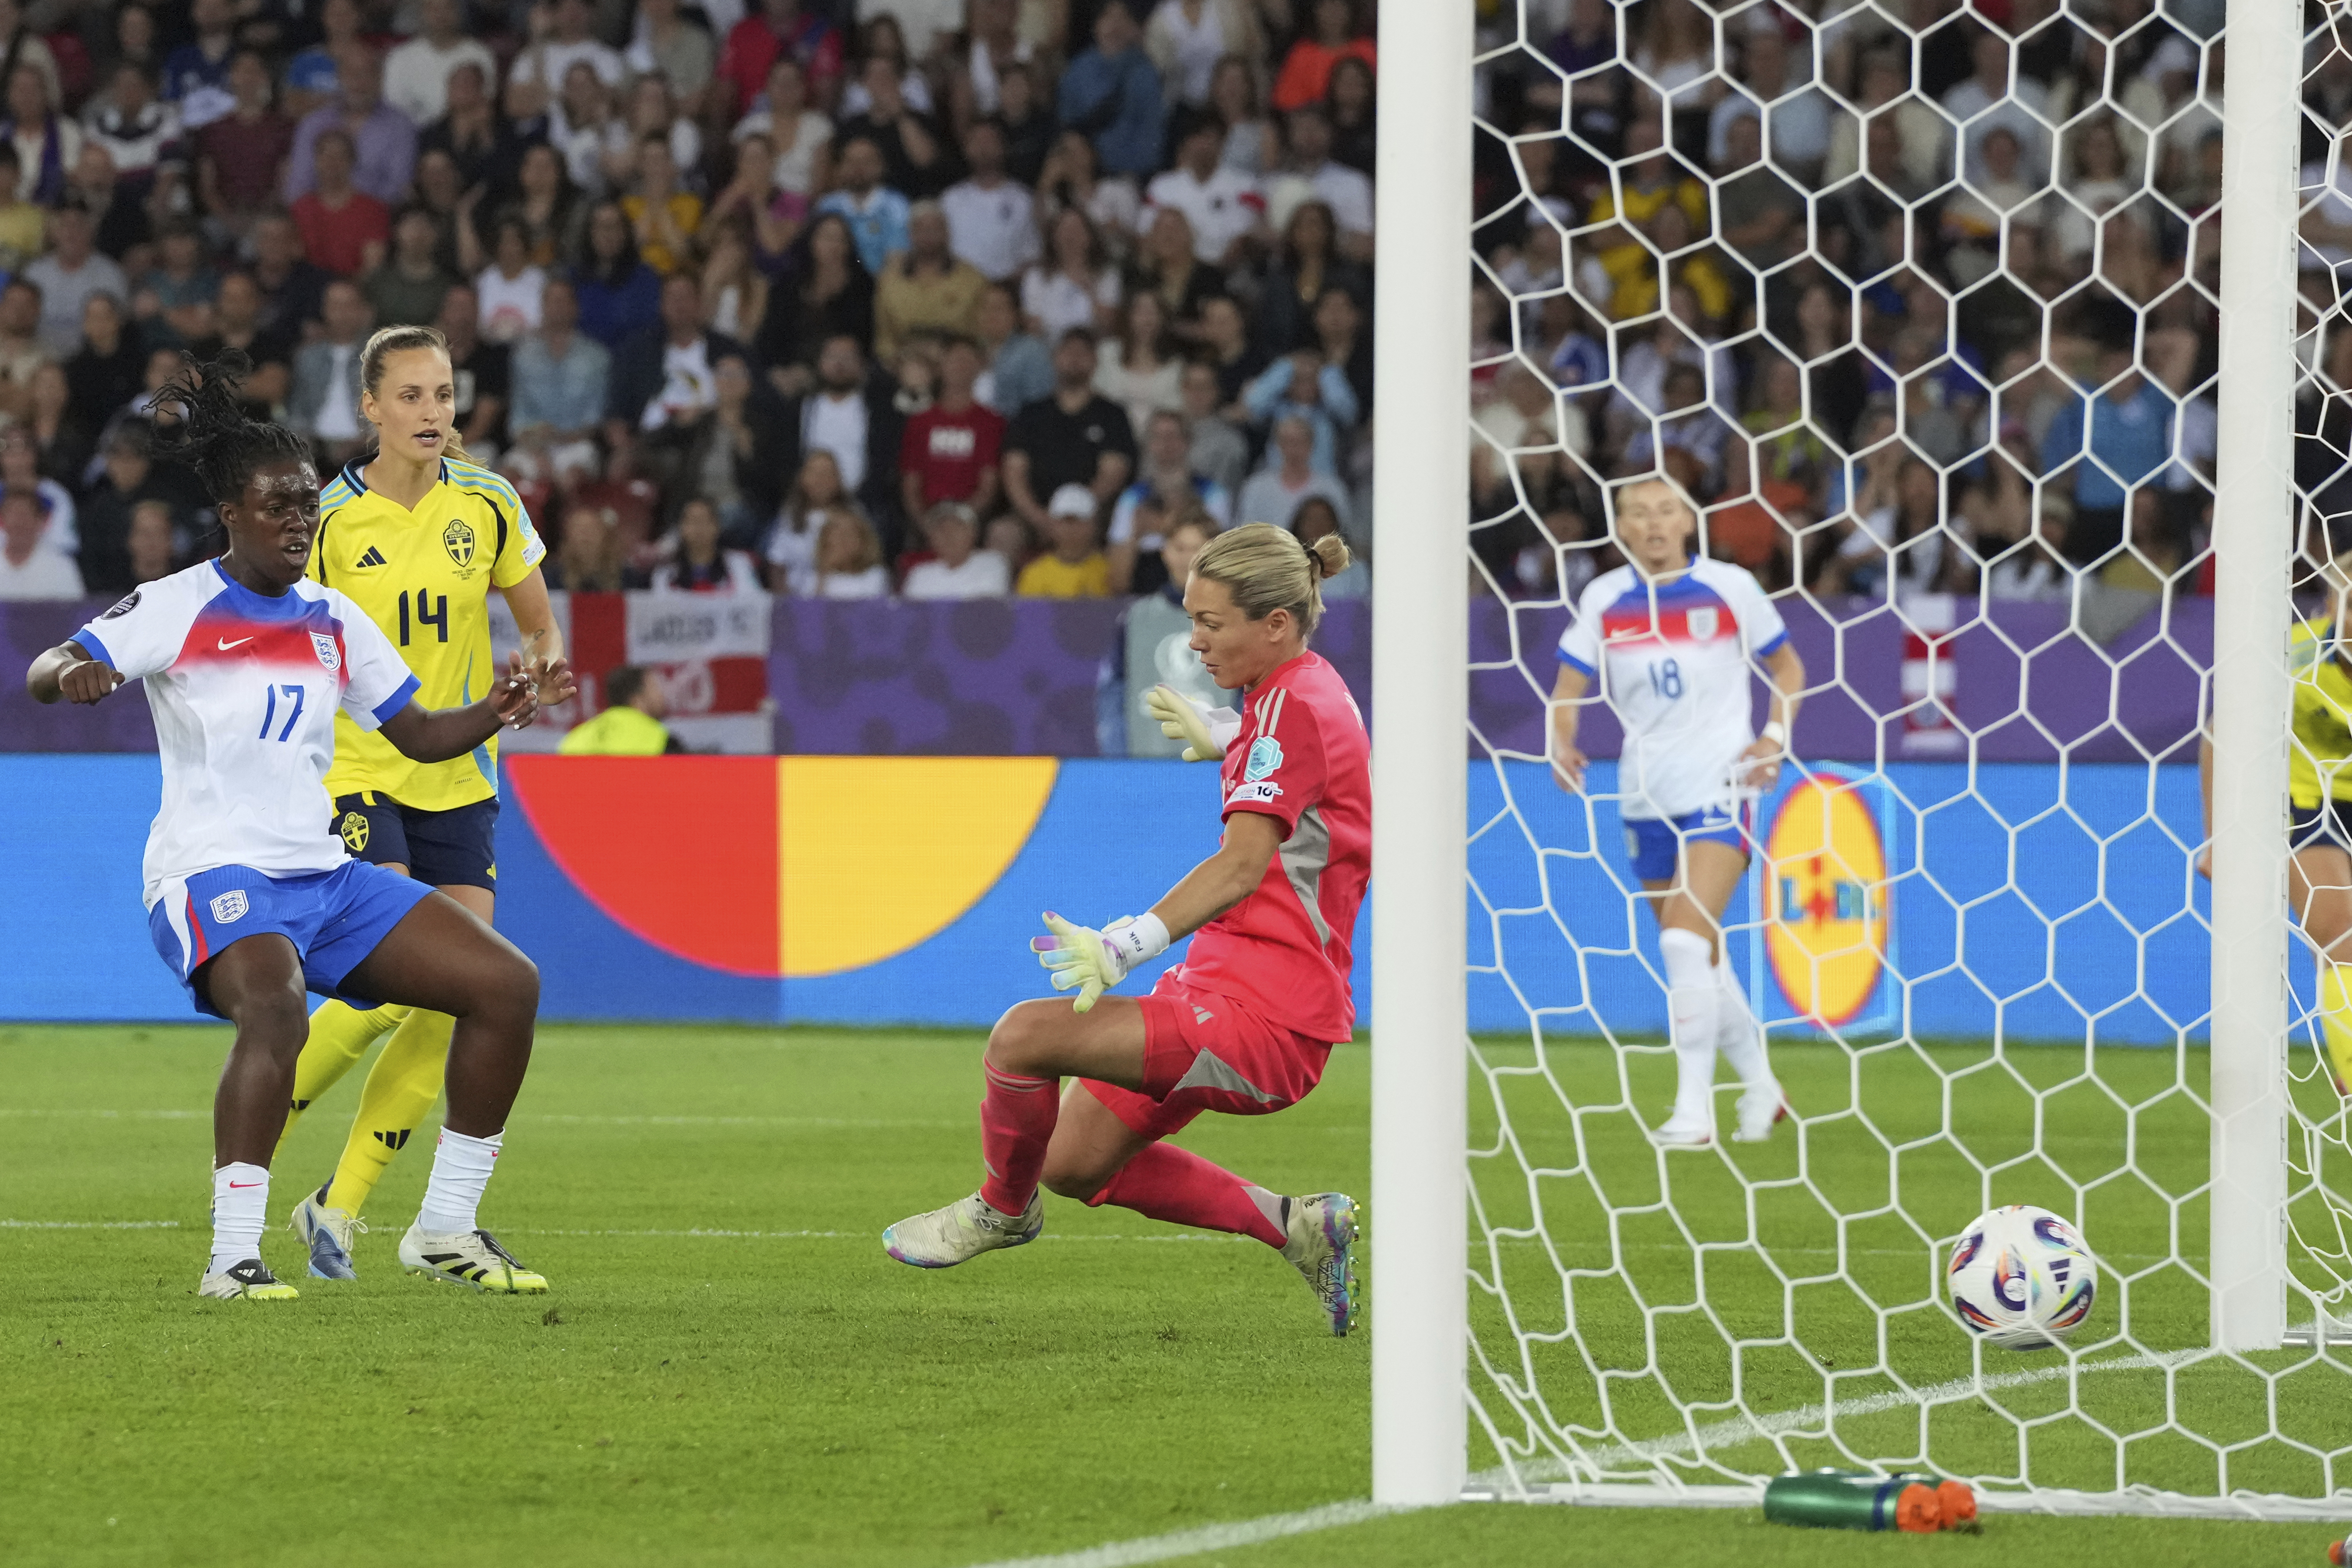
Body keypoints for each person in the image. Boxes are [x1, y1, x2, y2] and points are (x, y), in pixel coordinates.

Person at [24, 352, 571, 1299]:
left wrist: (498, 707)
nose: (298, 521)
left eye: (307, 504)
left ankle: (444, 1224)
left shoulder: (334, 616)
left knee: (505, 983)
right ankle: (232, 1258)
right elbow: (51, 661)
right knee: (276, 1002)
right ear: (232, 513)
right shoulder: (179, 603)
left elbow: (420, 734)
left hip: (324, 878)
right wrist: (70, 673)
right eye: (278, 505)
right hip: (209, 871)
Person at [884, 521, 1367, 1338]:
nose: (1195, 640)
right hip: (1233, 983)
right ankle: (1295, 1226)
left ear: (1274, 624)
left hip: (1267, 1021)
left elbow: (1241, 867)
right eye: (1192, 617)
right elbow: (1318, 770)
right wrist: (1226, 733)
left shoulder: (1288, 712)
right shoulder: (1298, 691)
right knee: (1072, 1161)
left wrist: (1124, 944)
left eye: (1212, 623)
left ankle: (1003, 1210)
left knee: (1021, 1039)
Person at [269, 324, 567, 1283]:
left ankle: (345, 1207)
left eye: (443, 394)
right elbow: (282, 636)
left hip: (462, 778)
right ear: (370, 409)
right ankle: (257, 1127)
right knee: (402, 981)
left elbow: (538, 619)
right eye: (411, 396)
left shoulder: (487, 503)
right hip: (359, 770)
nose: (432, 412)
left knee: (451, 997)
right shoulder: (325, 521)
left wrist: (543, 667)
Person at [1548, 476, 1805, 1149]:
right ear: (1623, 529)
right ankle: (1761, 1087)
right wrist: (1563, 741)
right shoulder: (1605, 597)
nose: (1655, 523)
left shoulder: (1730, 587)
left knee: (1684, 941)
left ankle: (1694, 1112)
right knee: (1700, 955)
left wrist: (1773, 740)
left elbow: (1791, 670)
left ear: (1689, 521)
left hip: (1723, 783)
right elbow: (1567, 689)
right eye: (1639, 513)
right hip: (1645, 793)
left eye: (1666, 510)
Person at [1016, 482, 1112, 596]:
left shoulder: (1109, 573)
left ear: (1094, 525)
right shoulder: (1033, 574)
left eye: (1078, 520)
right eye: (1064, 521)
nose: (1071, 529)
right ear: (1052, 524)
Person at [559, 665, 682, 754]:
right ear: (637, 699)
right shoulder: (659, 739)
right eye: (655, 688)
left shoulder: (574, 739)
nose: (662, 696)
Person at [901, 500, 1009, 599]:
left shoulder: (992, 564)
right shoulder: (920, 575)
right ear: (931, 538)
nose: (948, 535)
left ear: (973, 533)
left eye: (956, 527)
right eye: (941, 529)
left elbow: (987, 608)